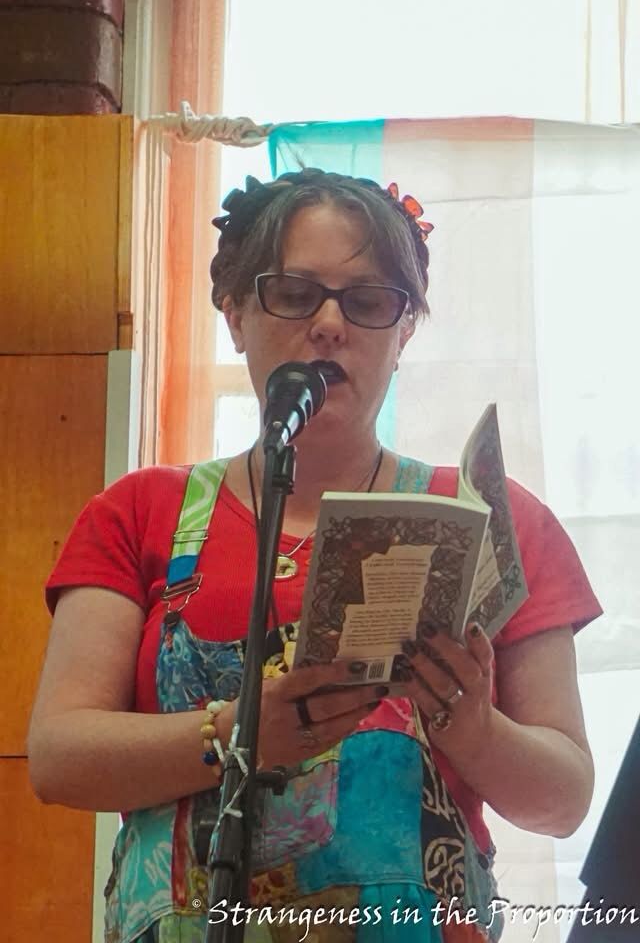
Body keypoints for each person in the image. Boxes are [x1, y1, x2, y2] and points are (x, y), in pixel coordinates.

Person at [28, 168, 602, 943]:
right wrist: (242, 731)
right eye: (295, 293)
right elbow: (60, 757)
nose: (329, 324)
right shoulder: (139, 513)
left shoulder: (493, 519)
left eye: (367, 302)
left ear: (403, 335)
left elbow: (562, 800)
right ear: (233, 313)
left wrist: (472, 728)